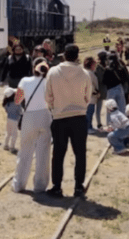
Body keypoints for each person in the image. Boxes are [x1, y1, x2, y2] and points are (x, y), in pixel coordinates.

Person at [45, 44, 92, 198]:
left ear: (64, 55)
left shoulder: (53, 72)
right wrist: (81, 107)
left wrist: (54, 107)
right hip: (79, 117)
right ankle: (78, 187)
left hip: (59, 118)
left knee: (58, 153)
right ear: (77, 56)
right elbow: (88, 97)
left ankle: (57, 186)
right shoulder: (85, 74)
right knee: (80, 153)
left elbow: (48, 96)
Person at [12, 58, 52, 193]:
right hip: (45, 116)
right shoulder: (49, 82)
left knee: (25, 151)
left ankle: (18, 184)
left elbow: (17, 101)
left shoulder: (25, 81)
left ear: (33, 67)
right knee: (43, 152)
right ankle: (40, 186)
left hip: (29, 116)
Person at [103, 52, 127, 124]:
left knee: (110, 108)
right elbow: (125, 78)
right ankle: (123, 123)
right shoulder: (121, 67)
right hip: (119, 88)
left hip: (110, 89)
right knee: (122, 107)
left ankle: (110, 124)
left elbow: (104, 81)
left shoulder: (107, 69)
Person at [83, 57, 100, 133]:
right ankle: (88, 128)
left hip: (87, 96)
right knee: (89, 113)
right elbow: (91, 85)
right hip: (91, 96)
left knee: (88, 112)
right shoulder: (90, 73)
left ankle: (89, 126)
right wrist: (96, 92)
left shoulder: (85, 72)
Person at [2, 87, 21, 152]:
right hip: (15, 120)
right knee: (14, 134)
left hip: (9, 119)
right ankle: (12, 147)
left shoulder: (7, 103)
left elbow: (6, 110)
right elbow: (20, 111)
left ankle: (6, 145)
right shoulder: (17, 103)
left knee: (8, 133)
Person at [94, 51, 108, 130]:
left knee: (99, 108)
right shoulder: (105, 66)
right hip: (105, 88)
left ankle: (99, 123)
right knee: (108, 106)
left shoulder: (99, 67)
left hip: (101, 89)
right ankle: (106, 122)